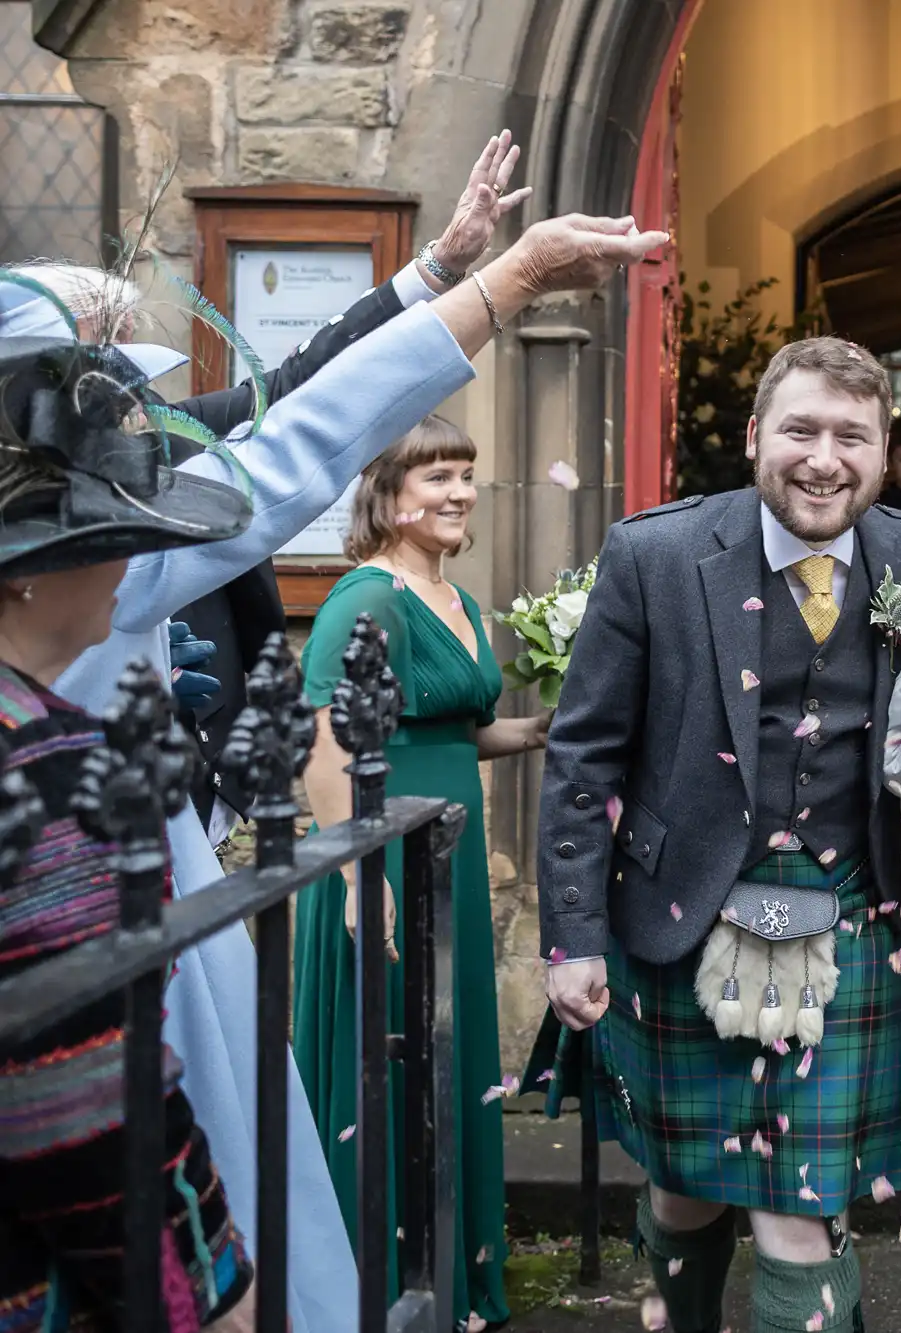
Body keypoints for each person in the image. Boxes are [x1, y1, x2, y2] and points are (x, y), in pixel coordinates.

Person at [11, 185, 667, 1331]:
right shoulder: (94, 604)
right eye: (112, 419)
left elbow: (289, 418)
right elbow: (300, 440)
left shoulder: (95, 562)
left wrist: (453, 285)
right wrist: (500, 286)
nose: (139, 488)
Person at [538, 337, 901, 1333]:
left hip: (845, 912)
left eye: (851, 435)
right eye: (801, 429)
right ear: (755, 433)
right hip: (681, 909)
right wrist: (574, 933)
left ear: (884, 444)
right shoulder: (656, 553)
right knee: (688, 1191)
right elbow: (583, 755)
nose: (823, 458)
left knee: (801, 1215)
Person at [14, 132, 531, 851]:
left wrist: (437, 267)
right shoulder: (54, 536)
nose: (133, 400)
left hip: (194, 785)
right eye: (111, 367)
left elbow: (294, 385)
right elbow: (304, 439)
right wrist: (516, 279)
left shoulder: (174, 434)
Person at [0, 333, 263, 1331]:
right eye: (100, 533)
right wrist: (208, 1294)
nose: (132, 558)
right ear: (23, 571)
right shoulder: (46, 764)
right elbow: (86, 1115)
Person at [292, 416, 545, 1328]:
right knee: (389, 1057)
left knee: (446, 1053)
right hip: (382, 854)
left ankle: (449, 1272)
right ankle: (367, 1282)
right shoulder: (368, 598)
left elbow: (460, 731)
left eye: (468, 474)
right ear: (388, 494)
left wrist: (541, 728)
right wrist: (362, 871)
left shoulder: (458, 600)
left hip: (452, 850)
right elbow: (323, 739)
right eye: (438, 475)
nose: (460, 492)